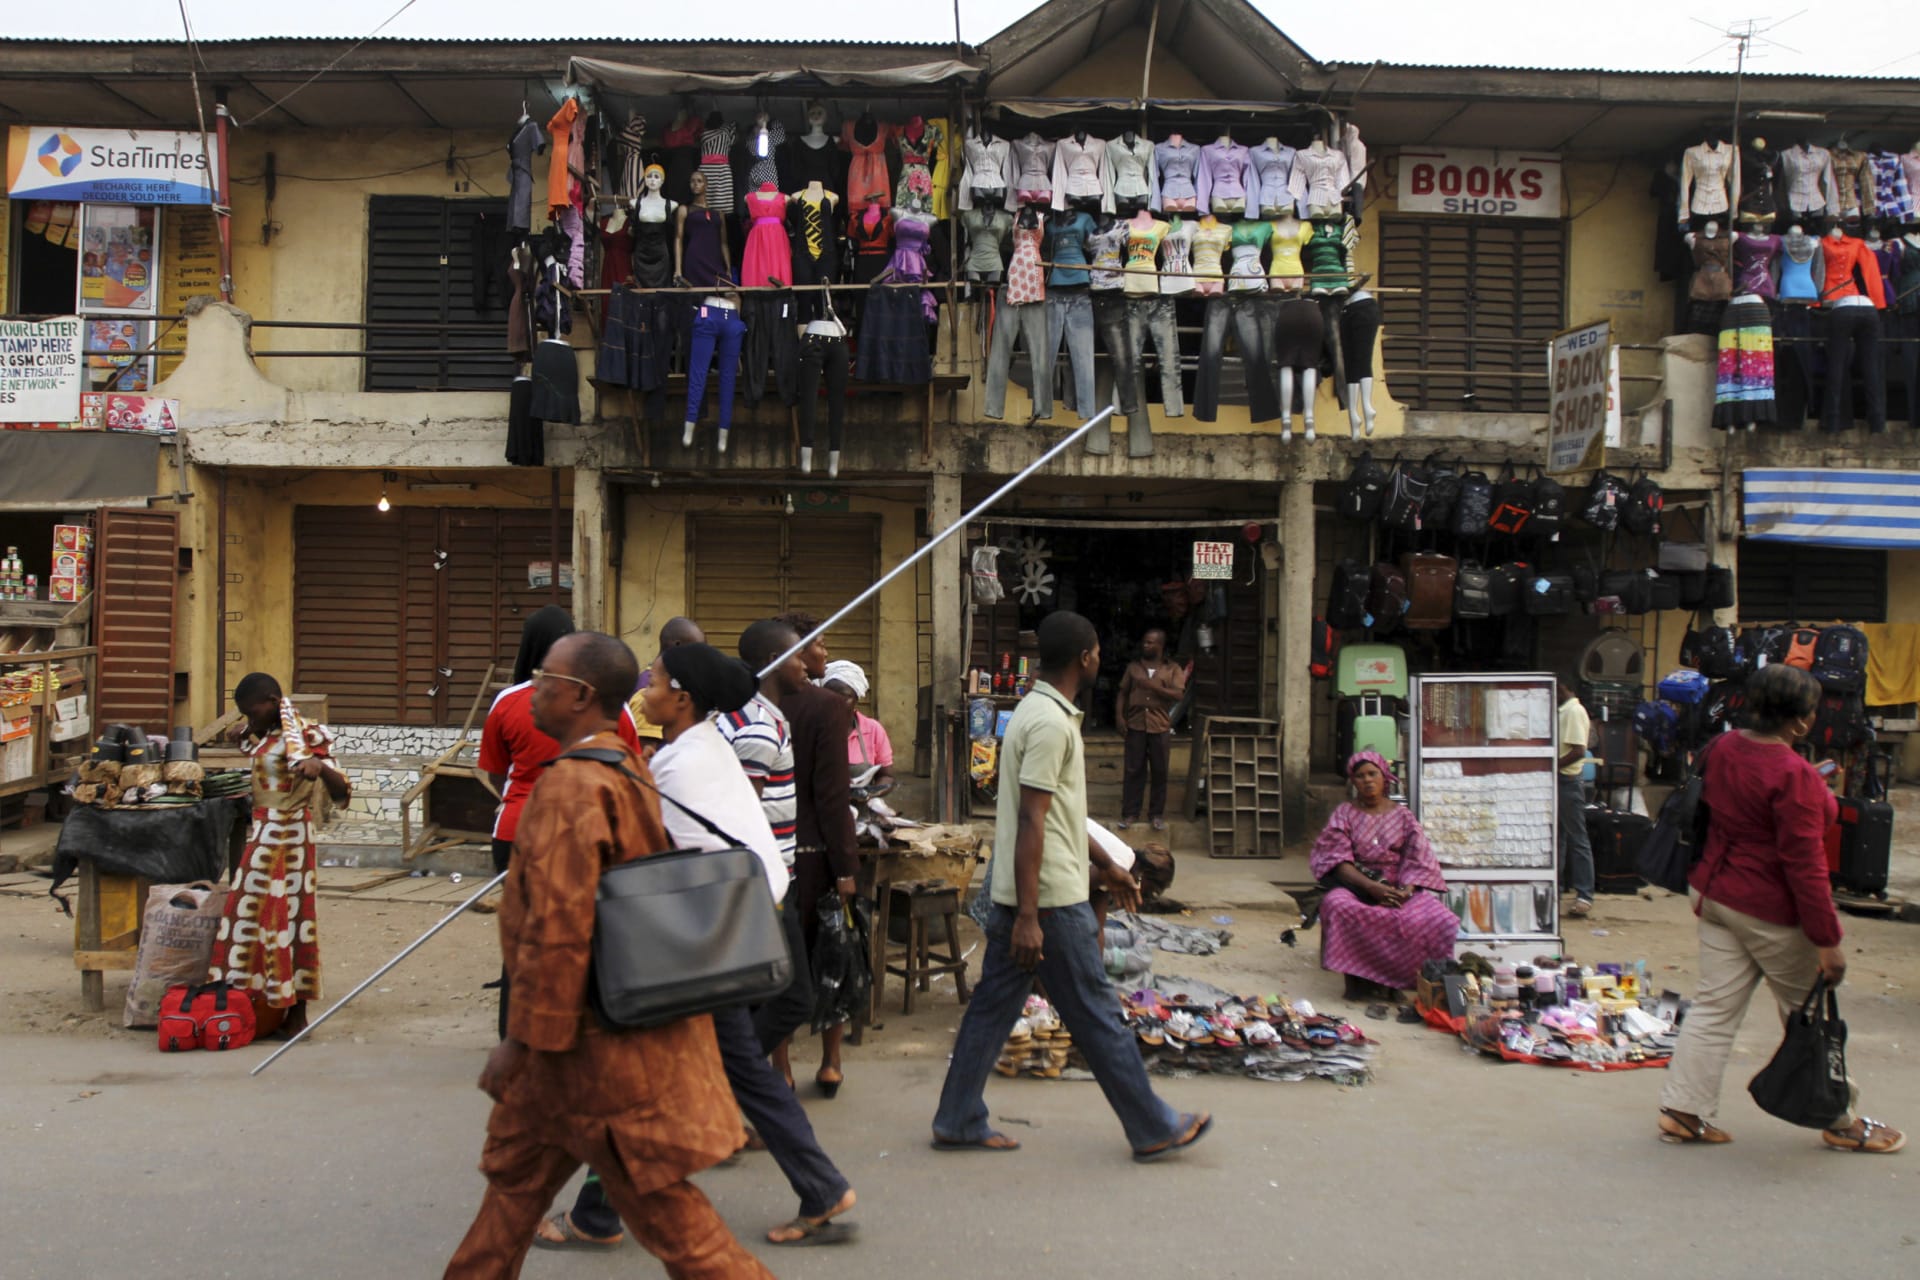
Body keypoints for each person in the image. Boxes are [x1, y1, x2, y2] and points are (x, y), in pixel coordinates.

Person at [444, 632, 773, 1279]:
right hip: (579, 1050)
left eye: (544, 678)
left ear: (579, 695)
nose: (533, 689)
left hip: (592, 1056)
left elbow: (562, 928)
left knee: (681, 1232)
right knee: (512, 1191)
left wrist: (523, 1040)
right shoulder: (623, 765)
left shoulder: (574, 787)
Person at [542, 642, 859, 1252]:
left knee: (650, 1073)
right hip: (750, 915)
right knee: (719, 1068)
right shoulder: (704, 745)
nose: (645, 691)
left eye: (655, 682)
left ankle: (596, 1216)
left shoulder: (676, 766)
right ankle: (820, 1187)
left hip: (719, 931)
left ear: (681, 697)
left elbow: (628, 849)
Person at [932, 611, 1211, 1162]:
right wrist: (1032, 916)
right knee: (1098, 1014)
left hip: (1030, 894)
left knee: (992, 1009)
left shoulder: (1040, 713)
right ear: (1084, 657)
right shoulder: (1050, 724)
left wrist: (1107, 864)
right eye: (1099, 651)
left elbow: (1061, 815)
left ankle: (957, 1116)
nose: (1101, 659)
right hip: (1050, 903)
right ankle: (1152, 1125)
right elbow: (1033, 822)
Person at [1657, 665, 1904, 1154]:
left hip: (1714, 892)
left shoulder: (1724, 747)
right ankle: (1840, 1118)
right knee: (1808, 1016)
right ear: (1802, 722)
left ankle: (1684, 1110)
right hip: (1767, 907)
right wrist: (1828, 941)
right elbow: (1805, 867)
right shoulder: (1793, 776)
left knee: (1713, 1006)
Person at [479, 606, 638, 1038]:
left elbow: (495, 768)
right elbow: (628, 772)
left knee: (526, 936)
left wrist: (517, 797)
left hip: (514, 829)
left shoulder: (507, 701)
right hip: (590, 834)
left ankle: (516, 1033)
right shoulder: (615, 712)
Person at [208, 673, 351, 1039]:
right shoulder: (268, 736)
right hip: (262, 835)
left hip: (291, 841)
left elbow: (342, 787)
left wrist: (321, 769)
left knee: (291, 919)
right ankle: (258, 1004)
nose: (248, 719)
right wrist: (247, 733)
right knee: (252, 919)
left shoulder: (306, 735)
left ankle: (296, 1014)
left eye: (252, 712)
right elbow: (262, 756)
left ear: (273, 700)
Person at [758, 617, 861, 1097]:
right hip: (815, 853)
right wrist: (846, 867)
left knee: (780, 964)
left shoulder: (751, 709)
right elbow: (832, 796)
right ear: (792, 654)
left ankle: (780, 1067)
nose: (823, 652)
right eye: (817, 645)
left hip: (769, 854)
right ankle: (831, 1061)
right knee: (832, 958)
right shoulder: (829, 707)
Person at [1309, 751, 1458, 1002]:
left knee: (1439, 918)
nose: (1367, 780)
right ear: (1353, 782)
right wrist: (1371, 887)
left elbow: (1418, 857)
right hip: (1357, 884)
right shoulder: (1344, 814)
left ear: (1384, 776)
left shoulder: (1402, 816)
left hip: (1398, 886)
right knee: (1337, 905)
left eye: (1372, 774)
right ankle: (1358, 984)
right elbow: (1338, 860)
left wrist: (1405, 891)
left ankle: (1402, 979)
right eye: (1360, 776)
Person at [736, 619, 816, 1073]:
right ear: (773, 662)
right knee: (793, 999)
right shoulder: (757, 728)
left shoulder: (769, 717)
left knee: (754, 1001)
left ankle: (724, 1094)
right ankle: (723, 1080)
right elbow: (743, 814)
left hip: (770, 880)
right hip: (761, 885)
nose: (806, 665)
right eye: (799, 656)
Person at [1115, 628, 1186, 831]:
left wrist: (1153, 687)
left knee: (1160, 771)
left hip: (1160, 726)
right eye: (1145, 642)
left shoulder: (1172, 669)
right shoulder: (1133, 668)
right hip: (1135, 724)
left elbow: (1178, 695)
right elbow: (1122, 693)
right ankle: (1130, 814)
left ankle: (1156, 815)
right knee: (1133, 770)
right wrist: (1120, 717)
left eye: (1150, 643)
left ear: (1160, 646)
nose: (1146, 645)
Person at [627, 616, 705, 759]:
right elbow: (646, 760)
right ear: (677, 645)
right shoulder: (652, 693)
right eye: (696, 650)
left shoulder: (666, 684)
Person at [822, 658, 894, 791]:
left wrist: (870, 795)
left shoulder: (873, 730)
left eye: (845, 697)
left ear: (857, 698)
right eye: (829, 695)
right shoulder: (813, 728)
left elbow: (886, 776)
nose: (836, 702)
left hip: (862, 809)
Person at [1557, 680, 1595, 918]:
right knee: (1558, 839)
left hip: (1567, 781)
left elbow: (1578, 750)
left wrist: (1551, 765)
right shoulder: (1564, 711)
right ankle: (1557, 888)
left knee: (1576, 838)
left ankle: (1584, 894)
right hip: (1560, 781)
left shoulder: (1573, 710)